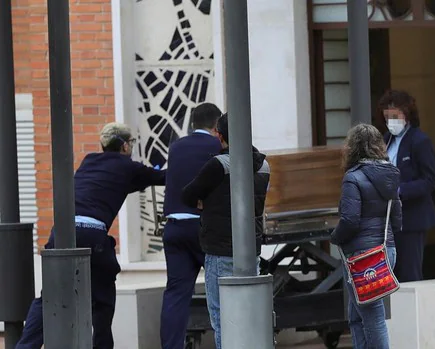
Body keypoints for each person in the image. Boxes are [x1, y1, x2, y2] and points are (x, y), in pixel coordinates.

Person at [16, 123, 166, 349]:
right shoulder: (128, 166)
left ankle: (25, 346)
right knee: (103, 297)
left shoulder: (89, 161)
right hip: (93, 233)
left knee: (49, 297)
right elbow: (161, 177)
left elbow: (108, 184)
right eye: (131, 144)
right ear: (125, 145)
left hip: (62, 232)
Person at [181, 113, 270, 349]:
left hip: (220, 251)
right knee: (249, 320)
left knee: (224, 321)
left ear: (220, 136)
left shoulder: (219, 165)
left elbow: (187, 194)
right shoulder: (264, 165)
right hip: (252, 251)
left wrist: (204, 202)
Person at [330, 124, 402, 349]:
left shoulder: (353, 177)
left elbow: (350, 220)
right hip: (385, 250)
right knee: (356, 314)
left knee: (372, 316)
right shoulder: (390, 174)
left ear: (352, 148)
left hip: (362, 257)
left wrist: (335, 236)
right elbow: (398, 219)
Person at [160, 103, 223, 349]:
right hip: (204, 227)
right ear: (217, 126)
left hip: (174, 227)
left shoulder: (175, 147)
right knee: (221, 292)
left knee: (175, 294)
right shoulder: (218, 146)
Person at [378, 90, 435, 282]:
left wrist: (400, 190)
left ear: (407, 114)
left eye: (395, 116)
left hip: (412, 218)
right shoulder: (385, 139)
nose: (391, 121)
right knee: (389, 273)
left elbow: (430, 180)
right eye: (387, 117)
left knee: (409, 272)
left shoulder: (420, 141)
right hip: (388, 218)